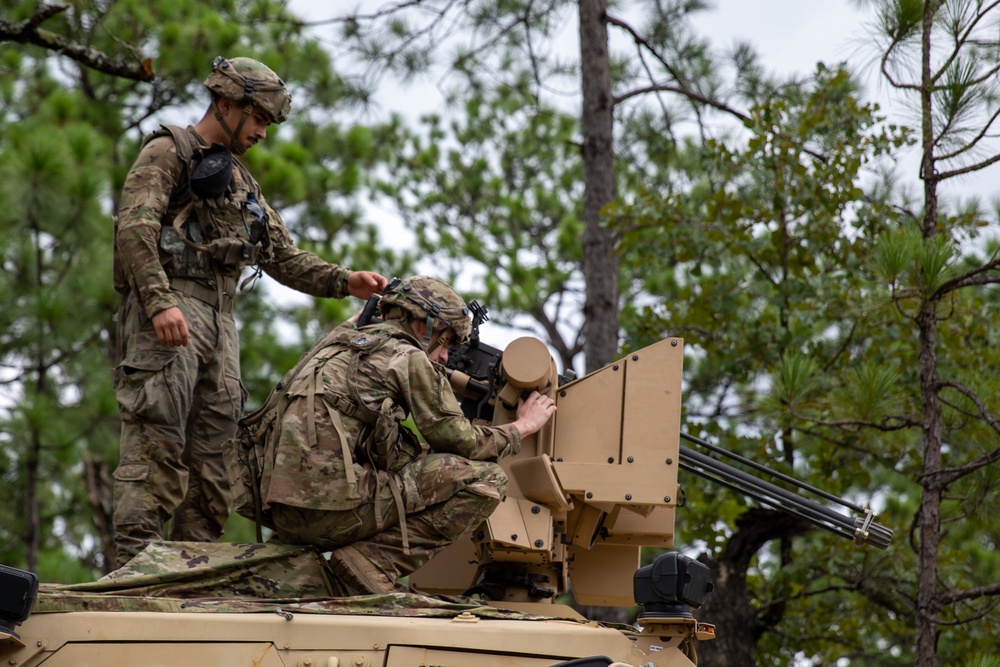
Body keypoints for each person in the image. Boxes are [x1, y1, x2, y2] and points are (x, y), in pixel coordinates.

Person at [111, 55, 387, 567]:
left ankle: (191, 571)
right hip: (172, 315)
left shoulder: (241, 183)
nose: (262, 131)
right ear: (225, 103)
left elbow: (281, 256)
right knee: (158, 445)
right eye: (257, 117)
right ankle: (133, 572)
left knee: (216, 462)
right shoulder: (167, 152)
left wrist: (344, 280)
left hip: (221, 324)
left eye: (266, 121)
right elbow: (135, 230)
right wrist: (158, 302)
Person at [257, 276, 557, 595]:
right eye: (445, 340)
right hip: (327, 512)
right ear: (423, 325)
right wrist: (523, 425)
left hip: (281, 512)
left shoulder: (336, 344)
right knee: (486, 478)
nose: (444, 357)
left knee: (416, 456)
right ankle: (376, 562)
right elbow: (461, 442)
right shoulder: (406, 356)